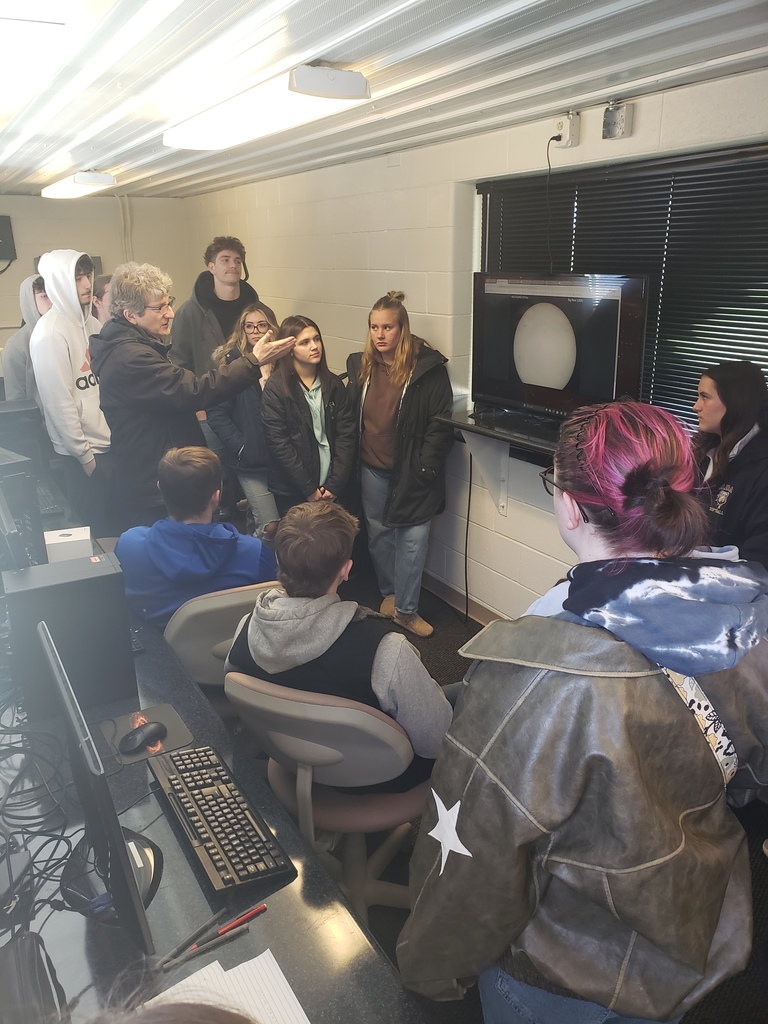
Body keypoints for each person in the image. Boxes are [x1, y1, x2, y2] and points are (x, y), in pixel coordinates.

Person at [397, 400, 768, 1024]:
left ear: (568, 505)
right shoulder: (749, 609)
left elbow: (474, 854)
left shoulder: (531, 674)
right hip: (693, 926)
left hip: (569, 979)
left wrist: (423, 968)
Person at [227, 501, 452, 791]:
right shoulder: (387, 650)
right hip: (379, 778)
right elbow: (435, 742)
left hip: (289, 758)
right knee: (466, 693)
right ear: (346, 570)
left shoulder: (245, 628)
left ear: (279, 564)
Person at [89, 262, 294, 532]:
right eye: (159, 307)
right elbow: (194, 390)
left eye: (168, 303)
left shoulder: (136, 346)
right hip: (156, 487)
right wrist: (253, 362)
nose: (170, 313)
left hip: (162, 479)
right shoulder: (132, 358)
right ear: (131, 315)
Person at [346, 291, 454, 638]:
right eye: (374, 327)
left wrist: (426, 467)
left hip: (413, 471)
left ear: (402, 328)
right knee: (379, 536)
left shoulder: (428, 369)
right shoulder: (361, 365)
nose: (380, 335)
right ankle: (390, 595)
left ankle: (407, 610)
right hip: (371, 467)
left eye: (387, 327)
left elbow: (440, 424)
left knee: (413, 540)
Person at [115, 447, 276, 629]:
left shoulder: (129, 546)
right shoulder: (255, 553)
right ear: (217, 496)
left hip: (162, 655)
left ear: (160, 488)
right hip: (236, 650)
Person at [29, 250, 113, 533]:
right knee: (98, 538)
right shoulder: (49, 334)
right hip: (83, 458)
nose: (88, 285)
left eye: (87, 277)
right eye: (78, 279)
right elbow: (59, 404)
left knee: (119, 530)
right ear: (59, 284)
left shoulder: (93, 323)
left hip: (110, 446)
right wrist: (86, 459)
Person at [262, 315, 356, 516]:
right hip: (294, 488)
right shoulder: (276, 388)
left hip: (330, 486)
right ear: (290, 350)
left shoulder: (333, 385)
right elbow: (279, 443)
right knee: (299, 543)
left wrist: (334, 485)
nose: (314, 346)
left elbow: (346, 435)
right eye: (304, 342)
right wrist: (308, 489)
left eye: (317, 339)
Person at [207, 303, 282, 540]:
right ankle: (257, 565)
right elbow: (216, 414)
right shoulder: (234, 365)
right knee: (271, 525)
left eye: (262, 325)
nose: (256, 331)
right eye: (249, 326)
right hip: (250, 460)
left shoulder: (284, 361)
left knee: (269, 518)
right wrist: (242, 447)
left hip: (282, 459)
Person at [693, 360, 768, 569]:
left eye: (705, 397)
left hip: (731, 587)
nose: (695, 406)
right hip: (688, 571)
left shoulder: (761, 467)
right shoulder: (704, 450)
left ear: (736, 401)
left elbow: (758, 557)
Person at [171, 236, 259, 374]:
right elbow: (179, 363)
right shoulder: (189, 313)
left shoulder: (256, 310)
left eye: (238, 261)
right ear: (212, 267)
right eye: (225, 260)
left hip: (251, 390)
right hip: (209, 391)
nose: (233, 265)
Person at [3, 274, 51, 406]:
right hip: (40, 422)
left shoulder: (69, 332)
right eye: (44, 296)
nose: (51, 301)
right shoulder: (16, 346)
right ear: (30, 301)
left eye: (53, 294)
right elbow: (16, 401)